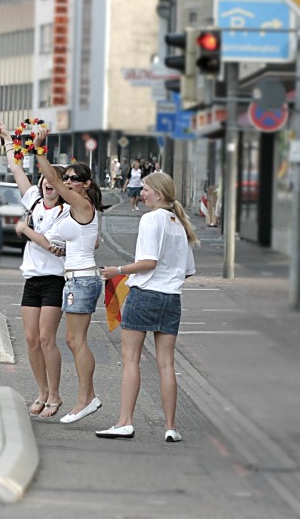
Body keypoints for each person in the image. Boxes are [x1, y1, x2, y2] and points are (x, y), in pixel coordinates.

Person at [98, 173, 198, 442]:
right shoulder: (180, 223)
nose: (141, 193)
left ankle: (125, 422)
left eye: (145, 189)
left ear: (159, 194)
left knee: (131, 360)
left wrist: (116, 270)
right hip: (171, 299)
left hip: (144, 295)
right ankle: (170, 427)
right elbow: (187, 271)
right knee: (166, 364)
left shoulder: (151, 219)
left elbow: (148, 262)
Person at [33, 129, 108, 424]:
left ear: (86, 184)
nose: (67, 182)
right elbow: (95, 241)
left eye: (74, 178)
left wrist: (39, 151)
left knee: (76, 341)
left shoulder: (81, 204)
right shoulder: (78, 208)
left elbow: (50, 179)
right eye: (67, 178)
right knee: (74, 340)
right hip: (75, 277)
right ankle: (87, 397)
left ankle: (85, 399)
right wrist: (64, 246)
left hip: (82, 279)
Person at [0, 123, 71, 418]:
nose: (47, 185)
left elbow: (52, 246)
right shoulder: (35, 202)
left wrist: (25, 229)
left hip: (55, 280)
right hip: (32, 280)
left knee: (45, 338)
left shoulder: (67, 213)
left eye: (53, 181)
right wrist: (8, 142)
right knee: (30, 339)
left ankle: (55, 395)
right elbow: (17, 171)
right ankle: (41, 391)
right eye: (44, 181)